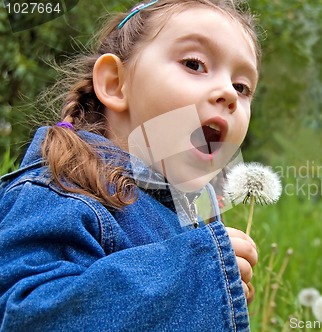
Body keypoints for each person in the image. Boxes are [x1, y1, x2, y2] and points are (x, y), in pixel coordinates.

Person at [0, 0, 261, 330]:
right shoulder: (62, 193)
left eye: (242, 86)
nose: (229, 93)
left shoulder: (200, 208)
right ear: (114, 84)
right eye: (195, 64)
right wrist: (194, 274)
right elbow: (28, 318)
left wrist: (216, 291)